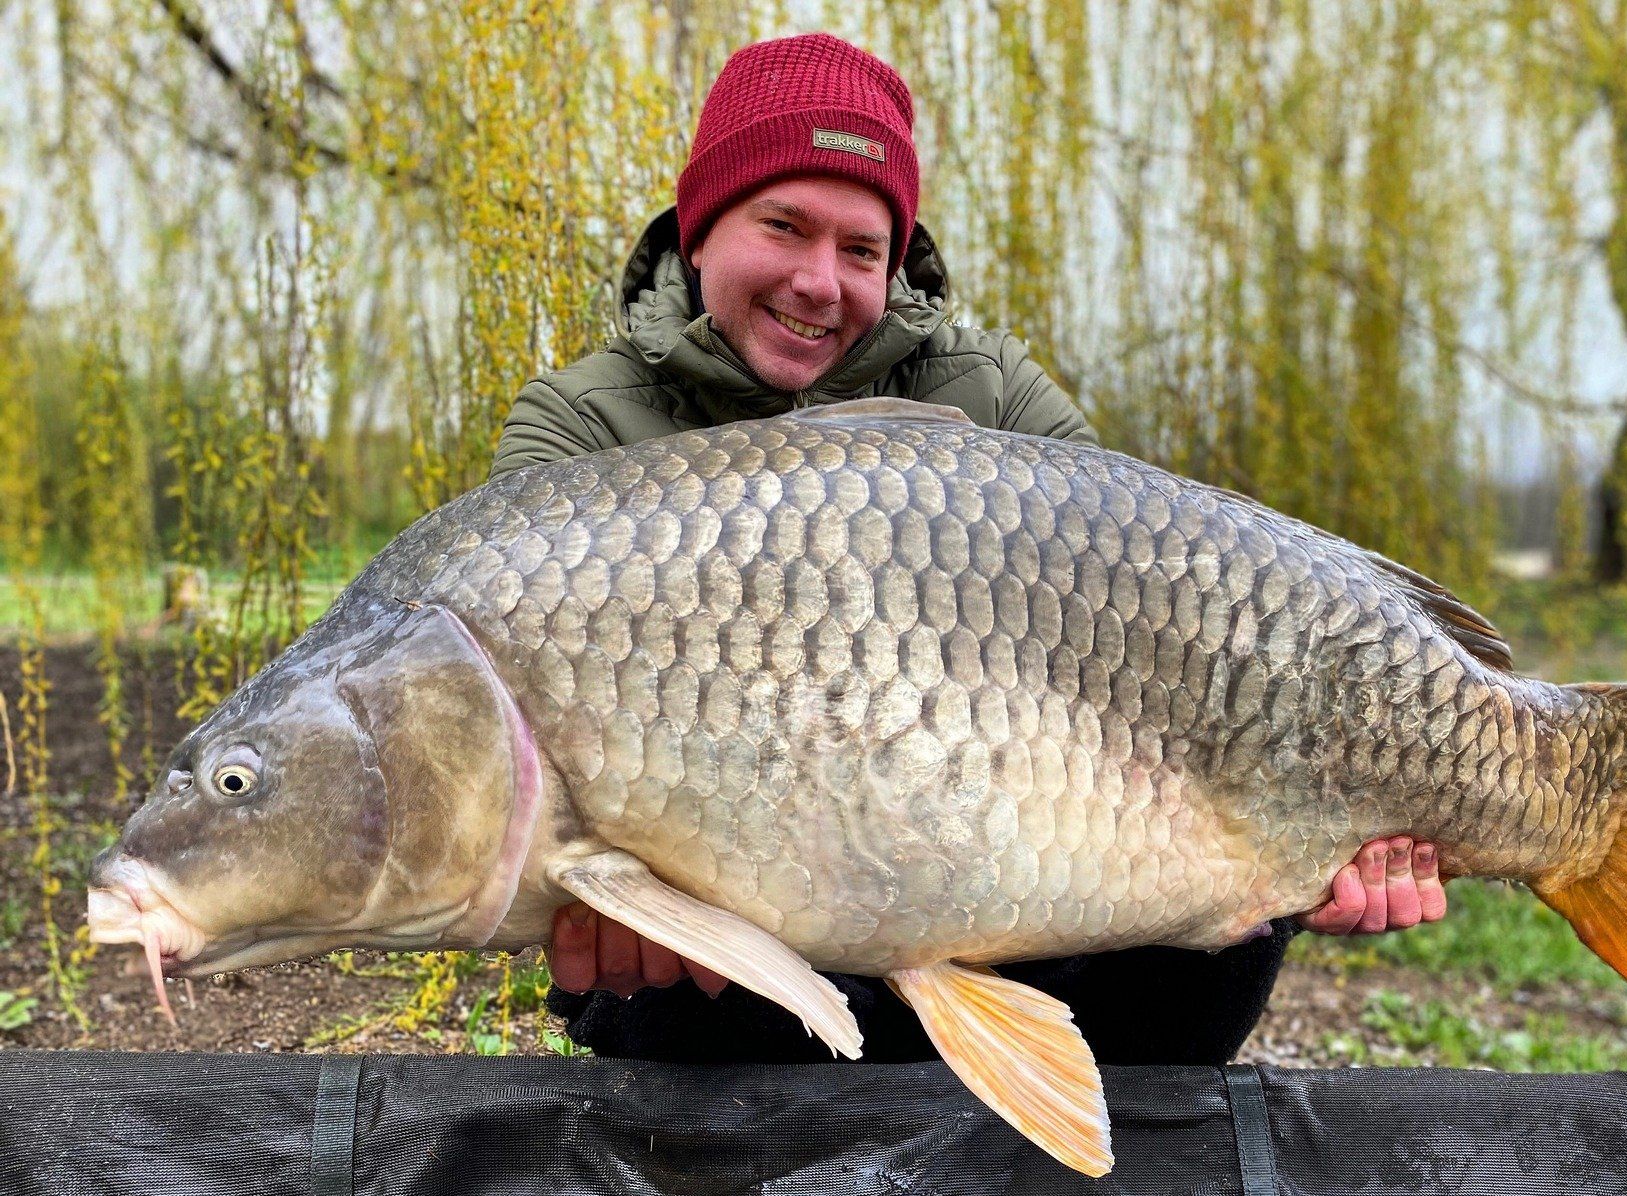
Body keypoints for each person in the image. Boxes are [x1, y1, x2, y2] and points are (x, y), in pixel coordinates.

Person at [492, 32, 1449, 1066]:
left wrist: (1335, 827)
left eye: (862, 251)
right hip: (736, 949)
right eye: (784, 227)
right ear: (700, 227)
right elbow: (514, 717)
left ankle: (1080, 1166)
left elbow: (1167, 626)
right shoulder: (579, 431)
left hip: (1012, 899)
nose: (820, 282)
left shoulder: (989, 399)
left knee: (1227, 929)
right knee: (678, 1004)